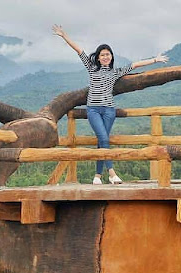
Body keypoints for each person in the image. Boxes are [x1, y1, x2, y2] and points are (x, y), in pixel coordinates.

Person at [53, 24, 169, 185]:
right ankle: (112, 173)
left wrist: (155, 60)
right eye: (103, 55)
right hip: (93, 109)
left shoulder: (116, 72)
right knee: (103, 138)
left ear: (111, 57)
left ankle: (97, 176)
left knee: (103, 141)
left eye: (108, 54)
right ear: (98, 58)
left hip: (109, 110)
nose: (105, 57)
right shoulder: (92, 68)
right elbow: (79, 51)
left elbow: (134, 65)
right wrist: (64, 36)